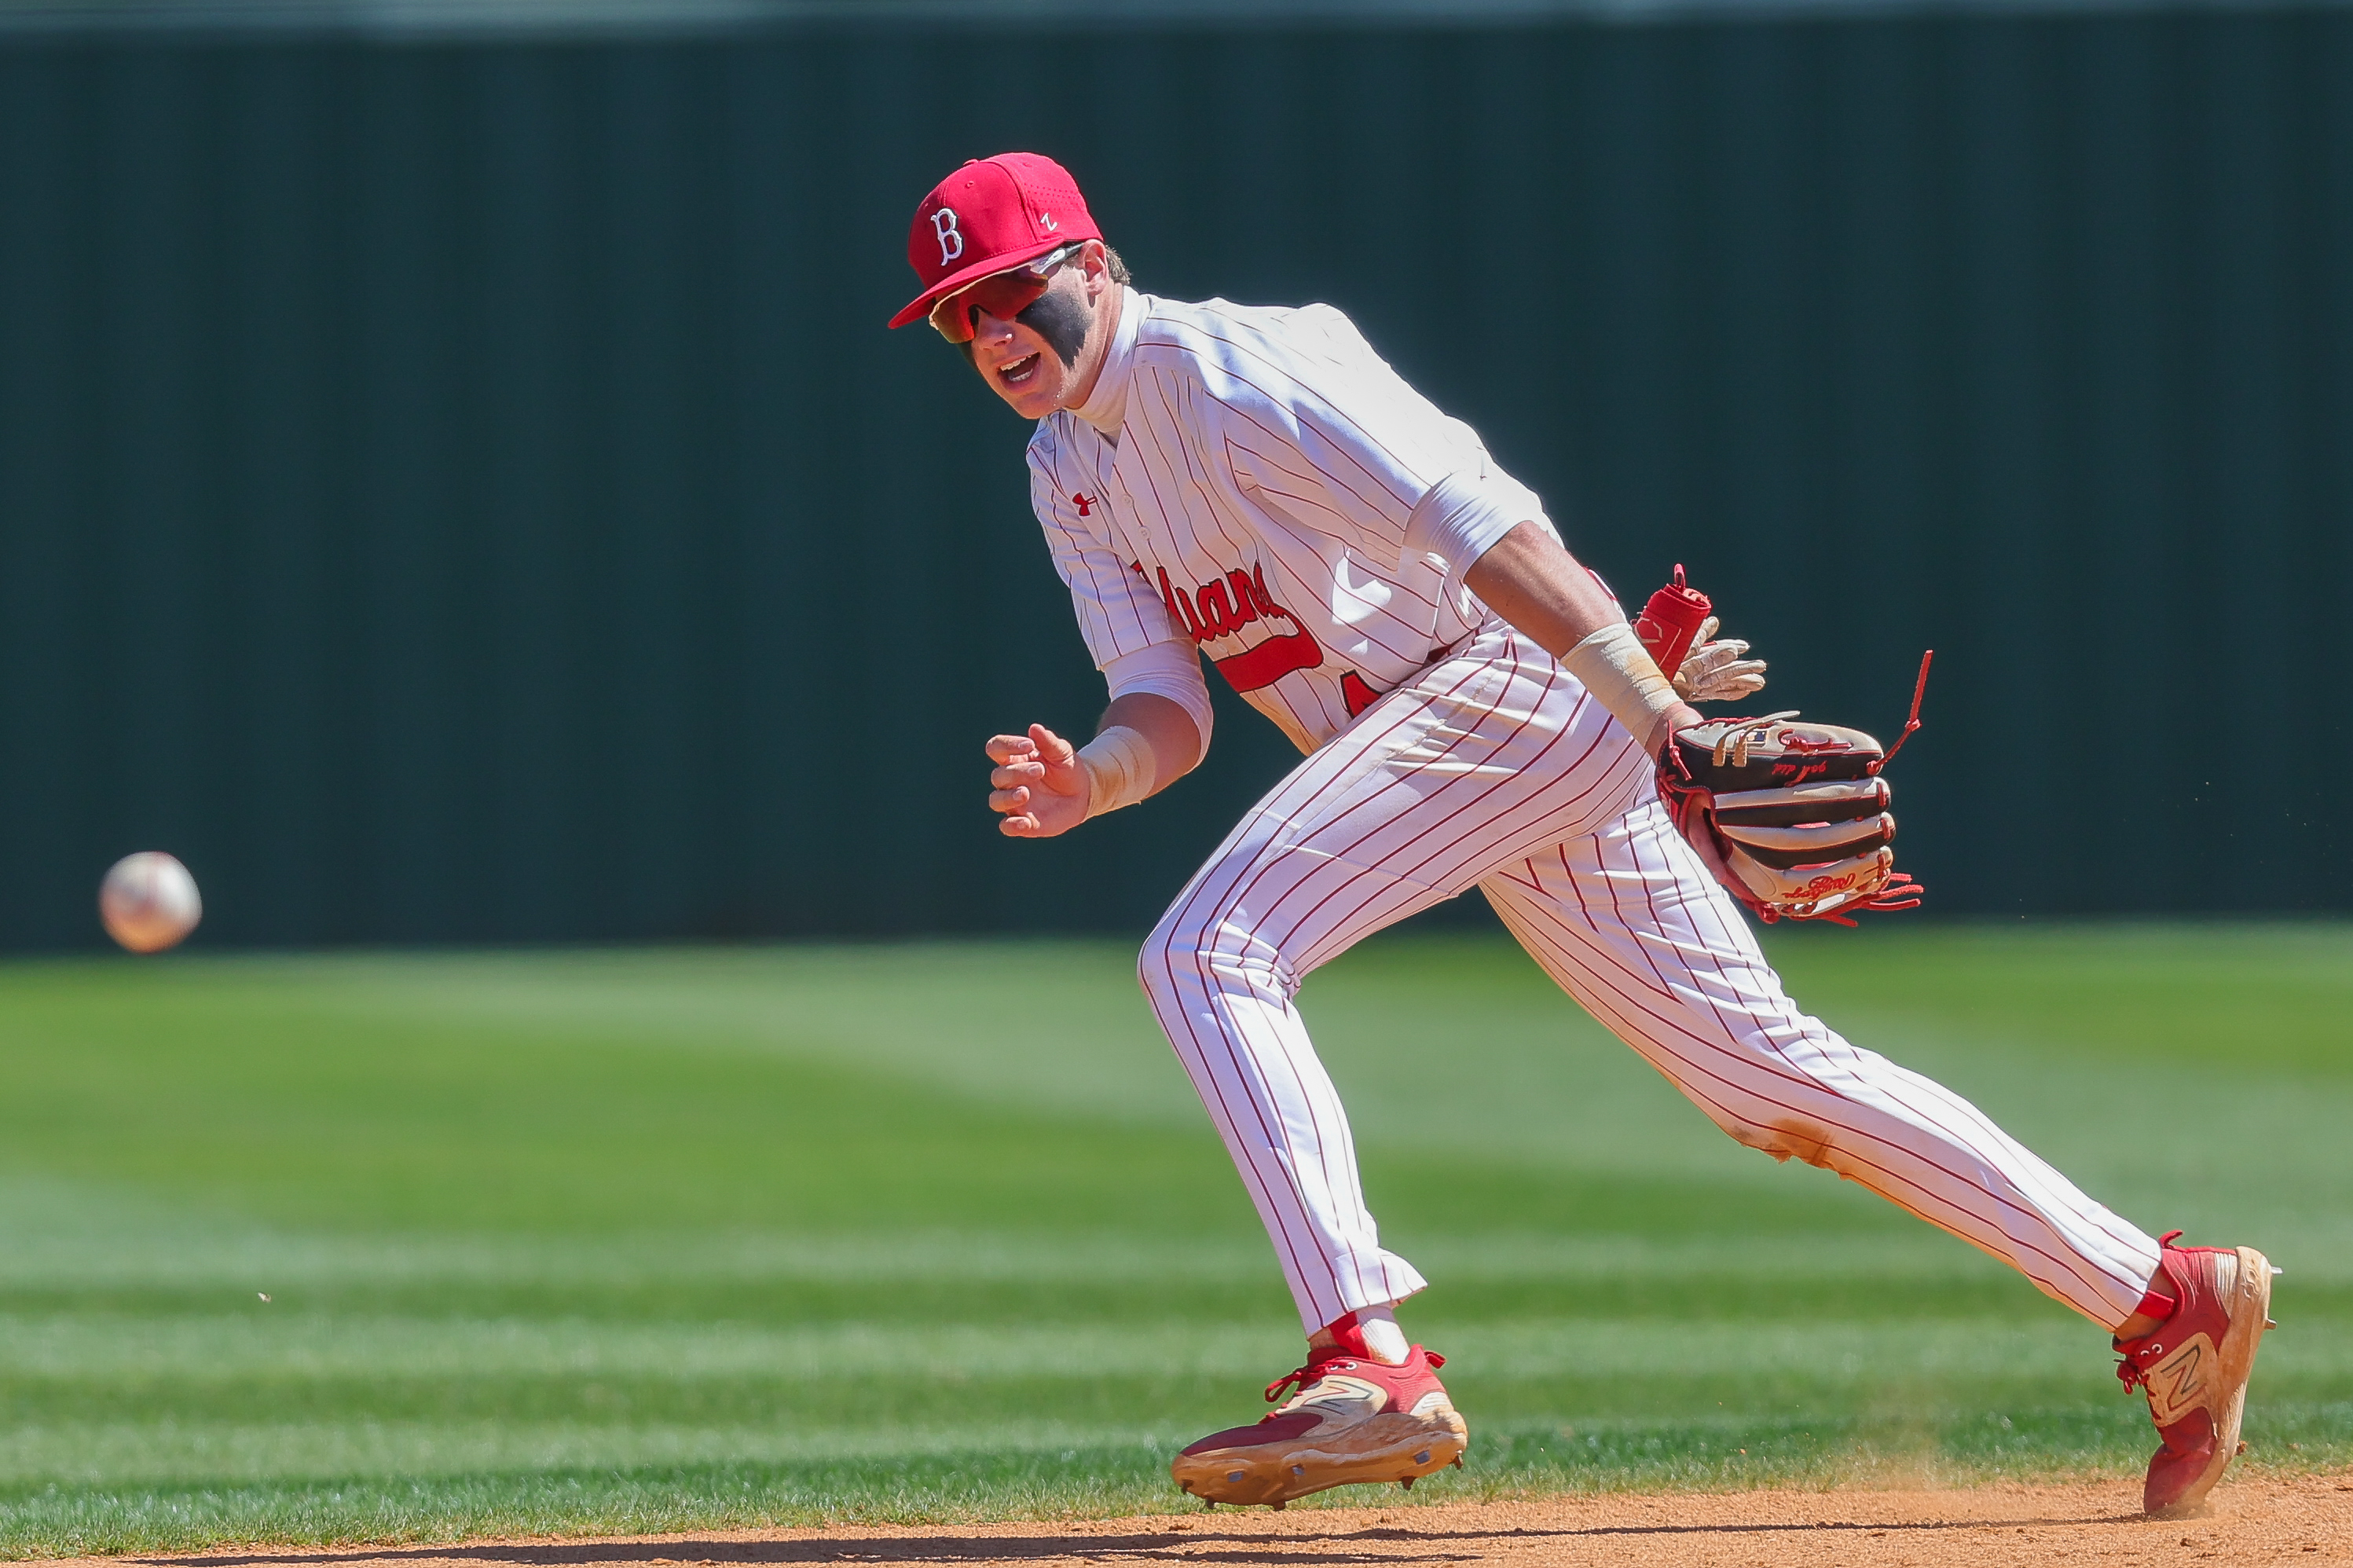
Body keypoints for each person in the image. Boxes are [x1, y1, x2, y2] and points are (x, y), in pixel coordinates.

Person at [885, 151, 2272, 1519]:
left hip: (1502, 692)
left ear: (1094, 262)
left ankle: (1366, 1357)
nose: (995, 331)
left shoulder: (1246, 370)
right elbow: (1164, 702)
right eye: (962, 316)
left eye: (1016, 290)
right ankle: (2167, 1296)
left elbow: (1489, 523)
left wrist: (1657, 714)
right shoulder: (1065, 467)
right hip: (1460, 742)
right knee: (1765, 1078)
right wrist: (1104, 780)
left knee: (1207, 955)